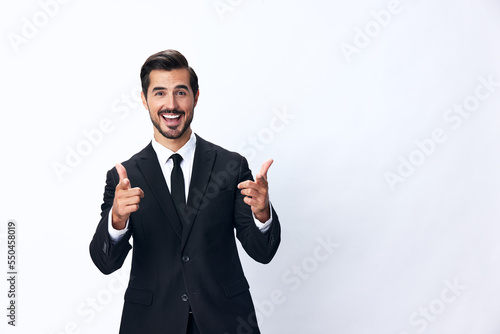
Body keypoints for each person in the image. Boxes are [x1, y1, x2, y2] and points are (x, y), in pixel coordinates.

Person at [89, 49, 281, 334]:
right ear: (144, 100)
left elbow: (262, 252)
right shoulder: (125, 177)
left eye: (181, 92)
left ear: (196, 97)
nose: (171, 104)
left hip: (225, 321)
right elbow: (105, 263)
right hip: (151, 323)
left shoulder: (230, 166)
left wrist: (262, 213)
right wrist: (117, 220)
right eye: (159, 93)